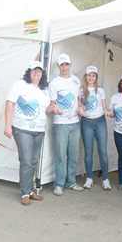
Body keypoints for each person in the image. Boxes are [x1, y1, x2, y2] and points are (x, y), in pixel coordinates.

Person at [4, 61, 55, 206]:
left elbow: (44, 109)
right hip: (22, 129)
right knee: (26, 160)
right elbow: (9, 103)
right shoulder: (19, 85)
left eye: (39, 71)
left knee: (33, 161)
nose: (36, 73)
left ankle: (30, 190)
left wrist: (54, 109)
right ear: (29, 72)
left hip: (39, 130)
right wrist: (8, 126)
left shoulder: (44, 90)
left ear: (42, 74)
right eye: (34, 70)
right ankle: (25, 193)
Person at [49, 53, 86, 196]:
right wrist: (55, 108)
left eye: (67, 64)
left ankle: (71, 182)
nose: (64, 67)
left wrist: (82, 107)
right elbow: (52, 104)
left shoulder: (76, 80)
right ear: (58, 66)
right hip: (60, 124)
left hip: (75, 123)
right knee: (60, 155)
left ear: (70, 65)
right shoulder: (54, 83)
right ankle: (58, 184)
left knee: (74, 154)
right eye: (62, 65)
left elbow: (78, 99)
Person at [80, 66, 111, 190]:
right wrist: (81, 109)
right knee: (88, 152)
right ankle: (89, 178)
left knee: (103, 152)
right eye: (89, 75)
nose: (91, 78)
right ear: (85, 76)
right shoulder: (81, 90)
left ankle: (106, 179)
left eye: (93, 75)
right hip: (86, 122)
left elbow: (103, 107)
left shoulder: (101, 90)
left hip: (100, 122)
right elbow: (79, 105)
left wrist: (107, 111)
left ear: (96, 77)